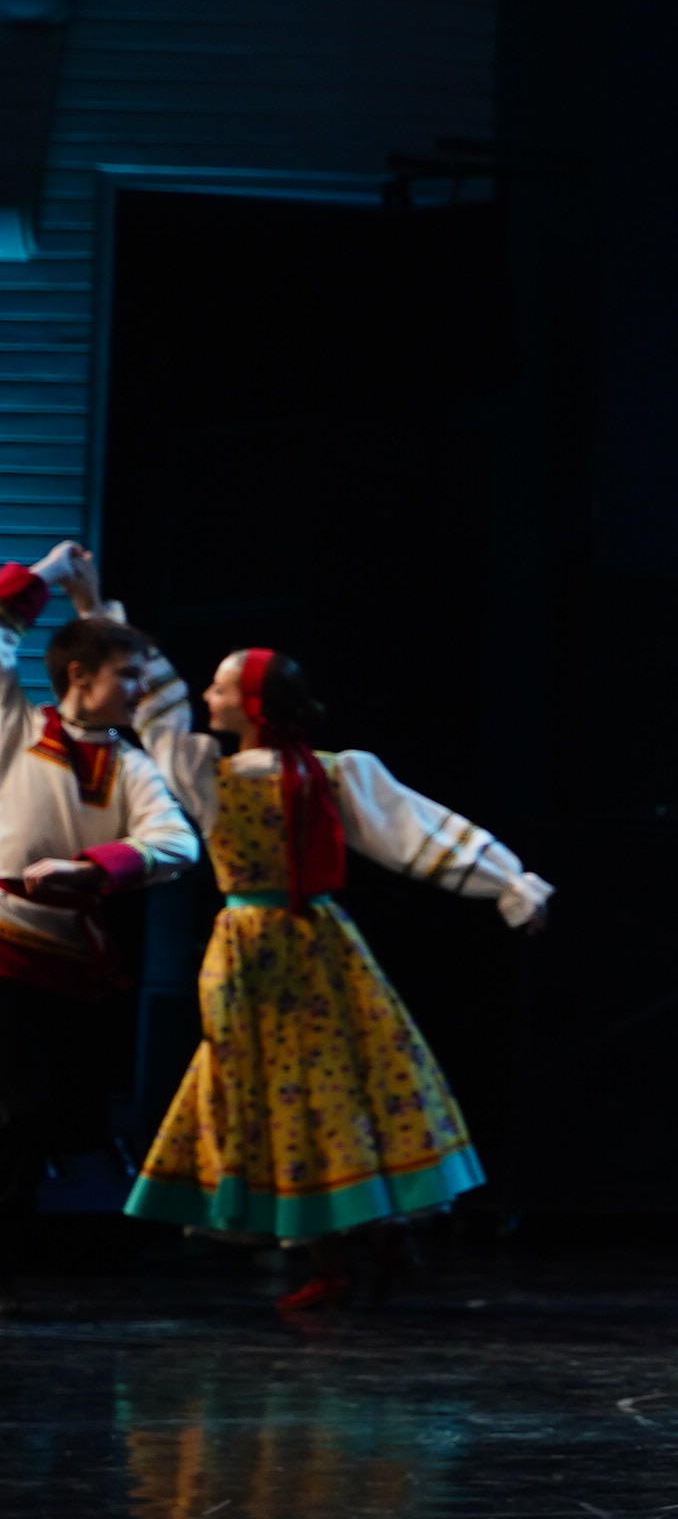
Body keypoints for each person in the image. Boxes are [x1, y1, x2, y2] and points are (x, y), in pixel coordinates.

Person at [124, 635, 550, 1312]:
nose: (207, 696)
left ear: (252, 706)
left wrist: (102, 616)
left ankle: (347, 1252)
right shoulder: (313, 773)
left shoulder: (229, 774)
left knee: (285, 1093)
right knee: (327, 1090)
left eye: (220, 688)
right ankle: (361, 1243)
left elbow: (160, 721)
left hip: (262, 951)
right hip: (307, 946)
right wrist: (510, 883)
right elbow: (417, 831)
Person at [0, 543, 197, 1297]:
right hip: (5, 953)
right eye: (129, 675)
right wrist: (51, 575)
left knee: (49, 1119)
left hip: (65, 970)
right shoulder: (16, 728)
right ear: (80, 676)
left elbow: (175, 841)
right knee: (22, 1109)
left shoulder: (131, 765)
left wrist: (93, 868)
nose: (141, 687)